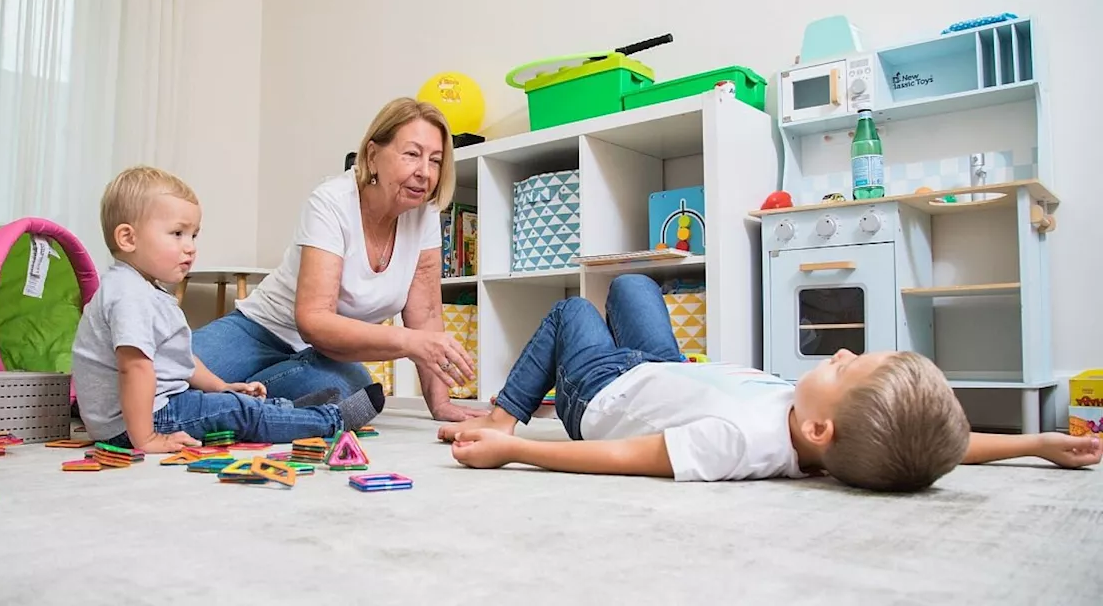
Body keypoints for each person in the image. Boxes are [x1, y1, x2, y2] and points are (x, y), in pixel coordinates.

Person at [438, 275, 1103, 492]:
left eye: (847, 366)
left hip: (603, 395)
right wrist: (1032, 443)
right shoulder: (833, 427)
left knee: (572, 311)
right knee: (635, 285)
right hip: (662, 367)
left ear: (820, 430)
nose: (840, 352)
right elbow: (935, 442)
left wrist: (515, 449)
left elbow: (622, 457)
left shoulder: (741, 441)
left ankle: (500, 414)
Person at [192, 98, 486, 422]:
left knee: (355, 393)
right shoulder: (331, 202)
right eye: (412, 154)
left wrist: (440, 404)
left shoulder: (425, 216)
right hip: (259, 332)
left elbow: (426, 315)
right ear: (373, 156)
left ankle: (227, 400)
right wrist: (408, 342)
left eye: (435, 161)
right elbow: (314, 321)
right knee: (156, 378)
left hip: (322, 357)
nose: (424, 172)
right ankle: (234, 403)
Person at [70, 166, 386, 453]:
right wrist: (146, 439)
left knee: (231, 400)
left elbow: (182, 360)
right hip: (135, 425)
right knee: (238, 412)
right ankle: (328, 420)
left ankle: (286, 412)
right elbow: (134, 369)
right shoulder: (128, 295)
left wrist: (221, 386)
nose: (190, 246)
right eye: (177, 234)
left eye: (194, 235)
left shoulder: (144, 290)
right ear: (128, 238)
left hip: (156, 409)